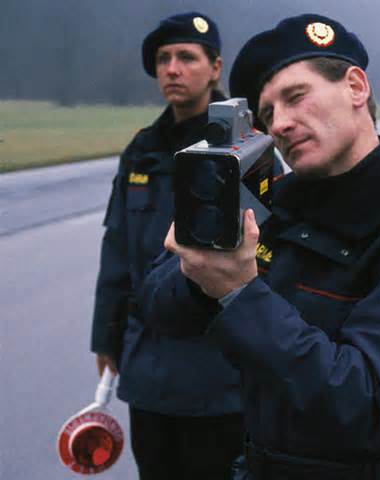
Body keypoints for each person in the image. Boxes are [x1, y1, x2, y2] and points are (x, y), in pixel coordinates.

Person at [140, 13, 380, 480]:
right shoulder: (274, 203)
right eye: (267, 114)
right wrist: (197, 263)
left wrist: (239, 292)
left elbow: (368, 407)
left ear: (355, 87)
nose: (280, 124)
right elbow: (157, 306)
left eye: (296, 97)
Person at [90, 12, 245, 480]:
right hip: (149, 375)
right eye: (163, 59)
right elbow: (118, 249)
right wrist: (106, 338)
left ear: (215, 68)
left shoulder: (244, 147)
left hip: (220, 378)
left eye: (186, 57)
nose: (172, 69)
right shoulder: (142, 150)